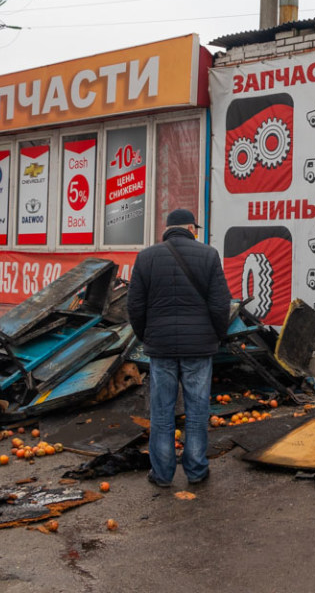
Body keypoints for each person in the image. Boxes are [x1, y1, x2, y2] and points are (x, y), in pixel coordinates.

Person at [127, 208, 231, 487]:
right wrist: (216, 336)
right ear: (189, 228)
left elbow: (134, 307)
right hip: (199, 347)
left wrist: (147, 336)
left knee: (162, 411)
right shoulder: (208, 255)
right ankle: (196, 471)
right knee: (197, 410)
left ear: (168, 230)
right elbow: (221, 305)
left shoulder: (146, 257)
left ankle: (162, 474)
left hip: (161, 348)